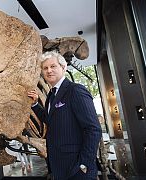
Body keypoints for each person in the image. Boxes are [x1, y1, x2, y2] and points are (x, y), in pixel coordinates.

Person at [27, 51, 102, 179]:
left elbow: (93, 129)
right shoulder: (51, 95)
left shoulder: (76, 90)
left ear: (63, 67)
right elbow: (49, 118)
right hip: (59, 167)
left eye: (53, 66)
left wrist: (84, 164)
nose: (49, 71)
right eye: (45, 68)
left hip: (77, 169)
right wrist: (34, 105)